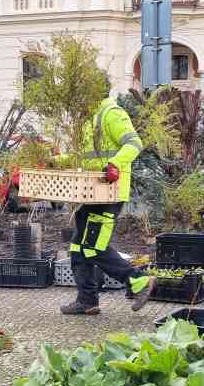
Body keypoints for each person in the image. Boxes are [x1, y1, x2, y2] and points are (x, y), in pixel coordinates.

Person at [59, 78, 156, 315]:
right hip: (91, 193)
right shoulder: (87, 119)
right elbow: (83, 157)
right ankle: (87, 300)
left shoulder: (111, 113)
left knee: (93, 246)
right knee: (78, 247)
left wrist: (115, 164)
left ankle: (139, 280)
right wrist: (48, 161)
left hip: (110, 193)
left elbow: (135, 143)